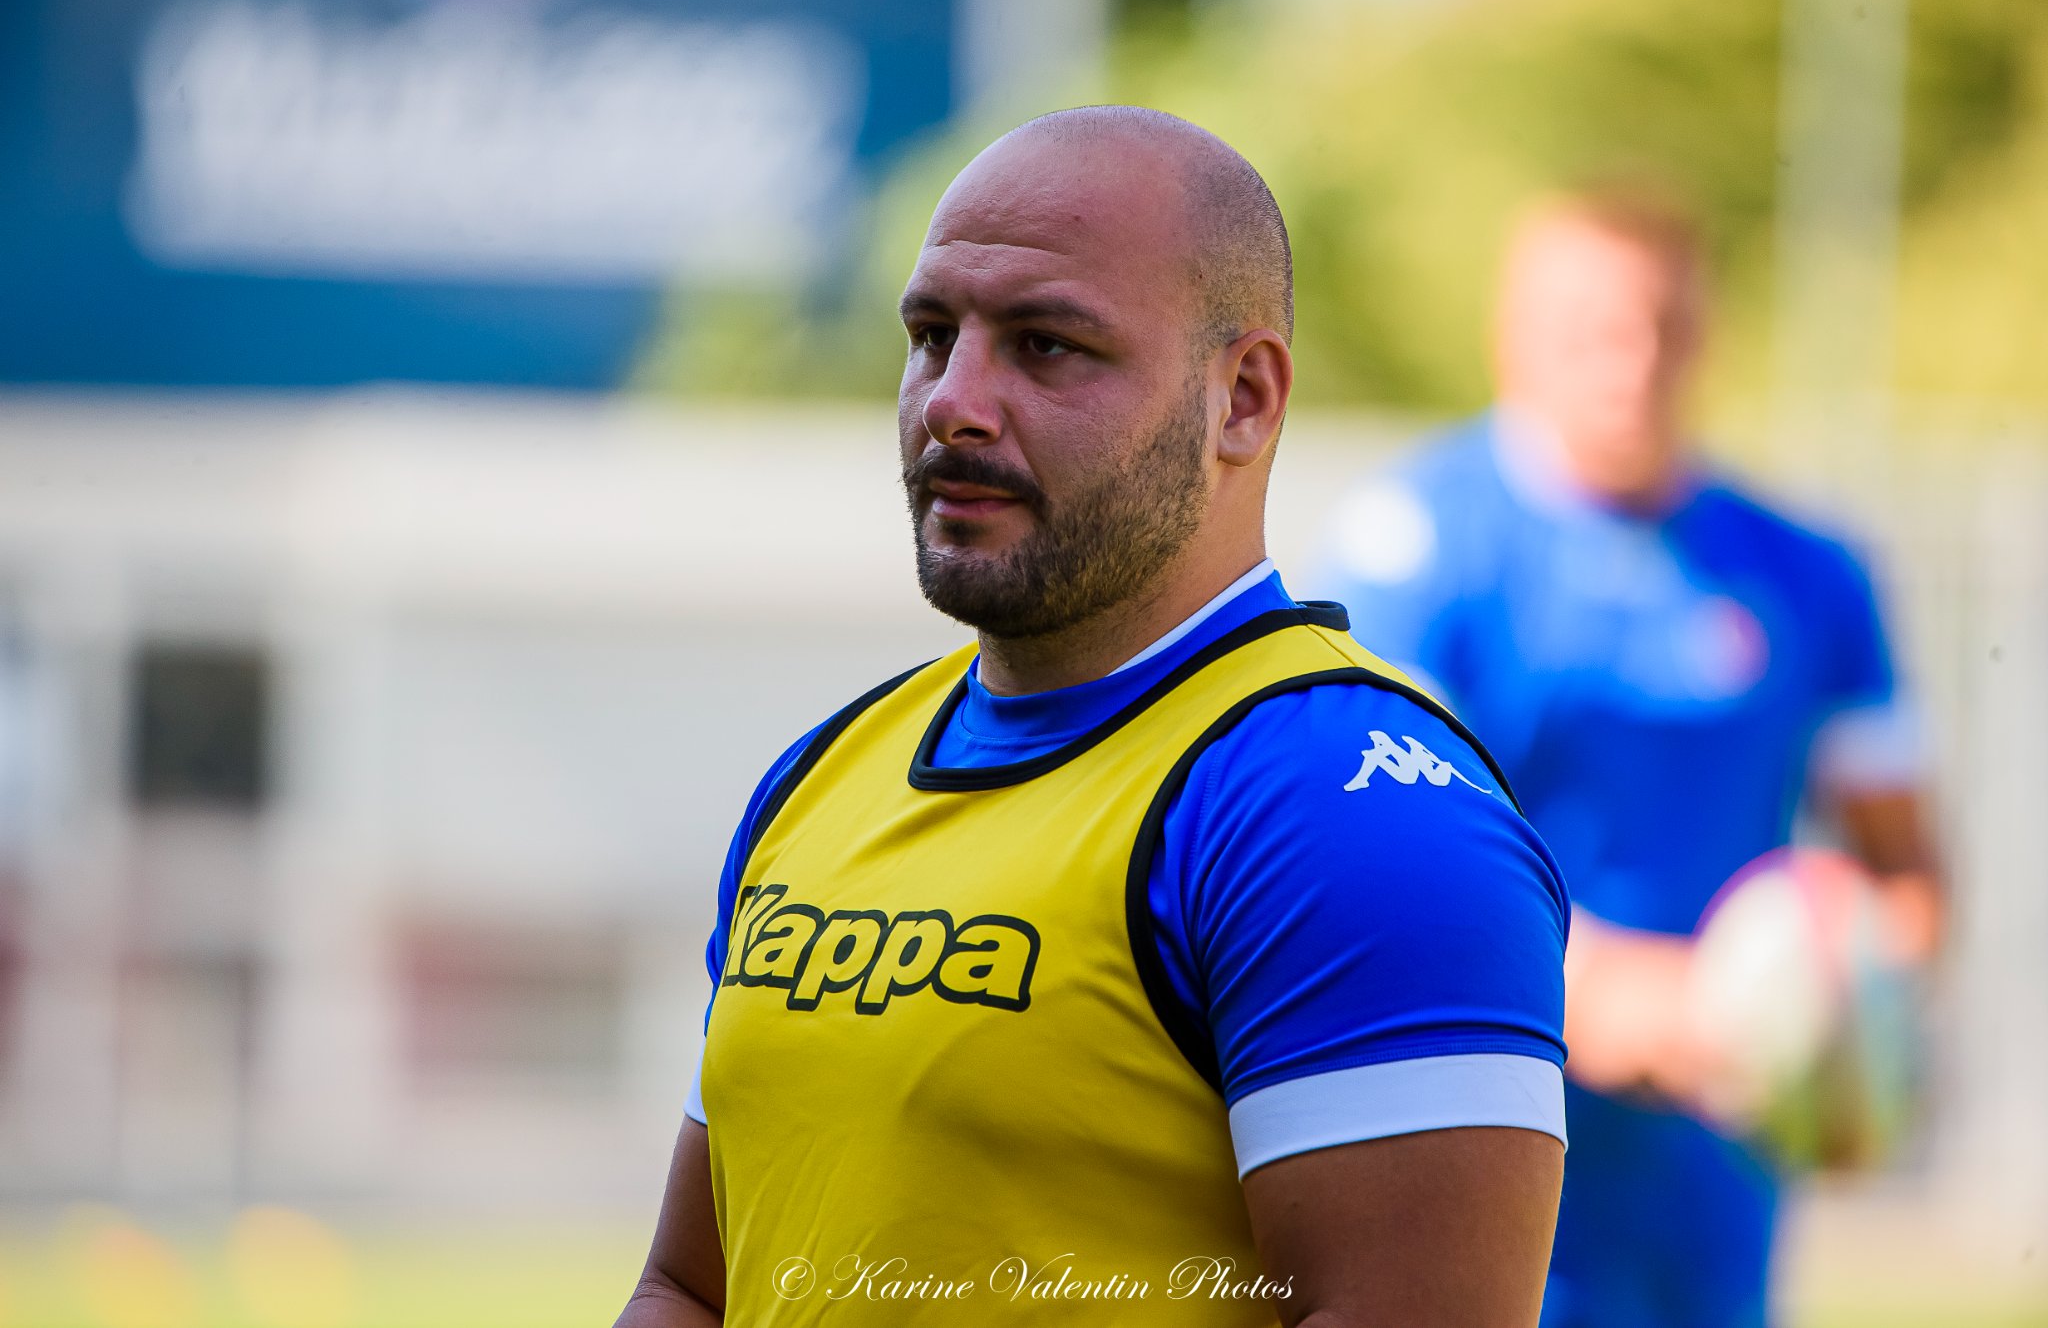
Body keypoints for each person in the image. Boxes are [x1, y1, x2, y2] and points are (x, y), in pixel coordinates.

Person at [615, 107, 1570, 1327]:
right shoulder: (826, 771)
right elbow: (690, 1287)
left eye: (1046, 346)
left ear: (1241, 398)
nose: (952, 403)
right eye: (930, 336)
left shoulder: (1340, 811)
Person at [1309, 188, 1944, 1328]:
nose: (1633, 364)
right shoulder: (1412, 552)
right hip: (1470, 1157)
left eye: (1664, 328)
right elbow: (1389, 871)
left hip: (1715, 1184)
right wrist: (1625, 1000)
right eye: (1592, 329)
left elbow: (1906, 870)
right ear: (1511, 334)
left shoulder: (1807, 572)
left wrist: (1853, 1012)